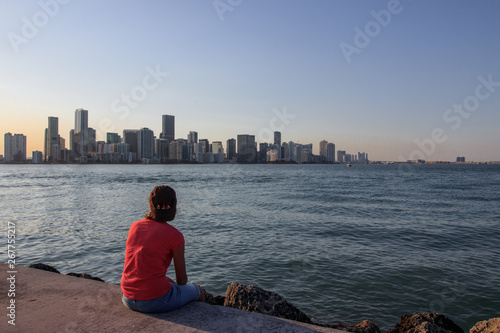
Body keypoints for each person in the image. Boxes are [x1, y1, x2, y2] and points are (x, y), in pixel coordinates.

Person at [121, 185, 205, 313]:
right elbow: (181, 280)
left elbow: (144, 271)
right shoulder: (175, 236)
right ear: (174, 206)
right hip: (155, 301)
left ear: (151, 205)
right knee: (198, 291)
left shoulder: (135, 226)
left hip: (127, 297)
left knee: (167, 283)